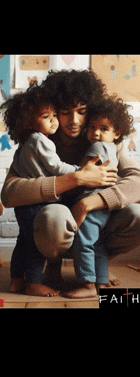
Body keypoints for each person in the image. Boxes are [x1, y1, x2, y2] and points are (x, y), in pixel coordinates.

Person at [1, 69, 140, 297]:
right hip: (54, 229)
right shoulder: (38, 140)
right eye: (64, 112)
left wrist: (89, 203)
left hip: (90, 224)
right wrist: (77, 178)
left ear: (90, 110)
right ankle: (52, 266)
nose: (74, 121)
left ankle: (94, 269)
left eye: (82, 112)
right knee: (54, 217)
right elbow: (10, 194)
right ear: (52, 111)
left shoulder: (101, 138)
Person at [1, 85, 82, 295]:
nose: (54, 120)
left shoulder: (24, 144)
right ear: (28, 122)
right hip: (38, 203)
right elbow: (56, 168)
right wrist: (79, 171)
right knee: (37, 245)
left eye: (55, 114)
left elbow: (17, 171)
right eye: (46, 116)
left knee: (23, 241)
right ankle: (33, 283)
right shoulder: (41, 140)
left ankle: (16, 280)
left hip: (23, 204)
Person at [67, 96, 132, 298]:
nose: (95, 133)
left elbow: (82, 173)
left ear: (117, 133)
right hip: (105, 205)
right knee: (98, 244)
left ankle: (87, 285)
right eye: (92, 126)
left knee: (84, 242)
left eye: (103, 129)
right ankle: (101, 282)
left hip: (92, 203)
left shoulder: (97, 148)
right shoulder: (113, 149)